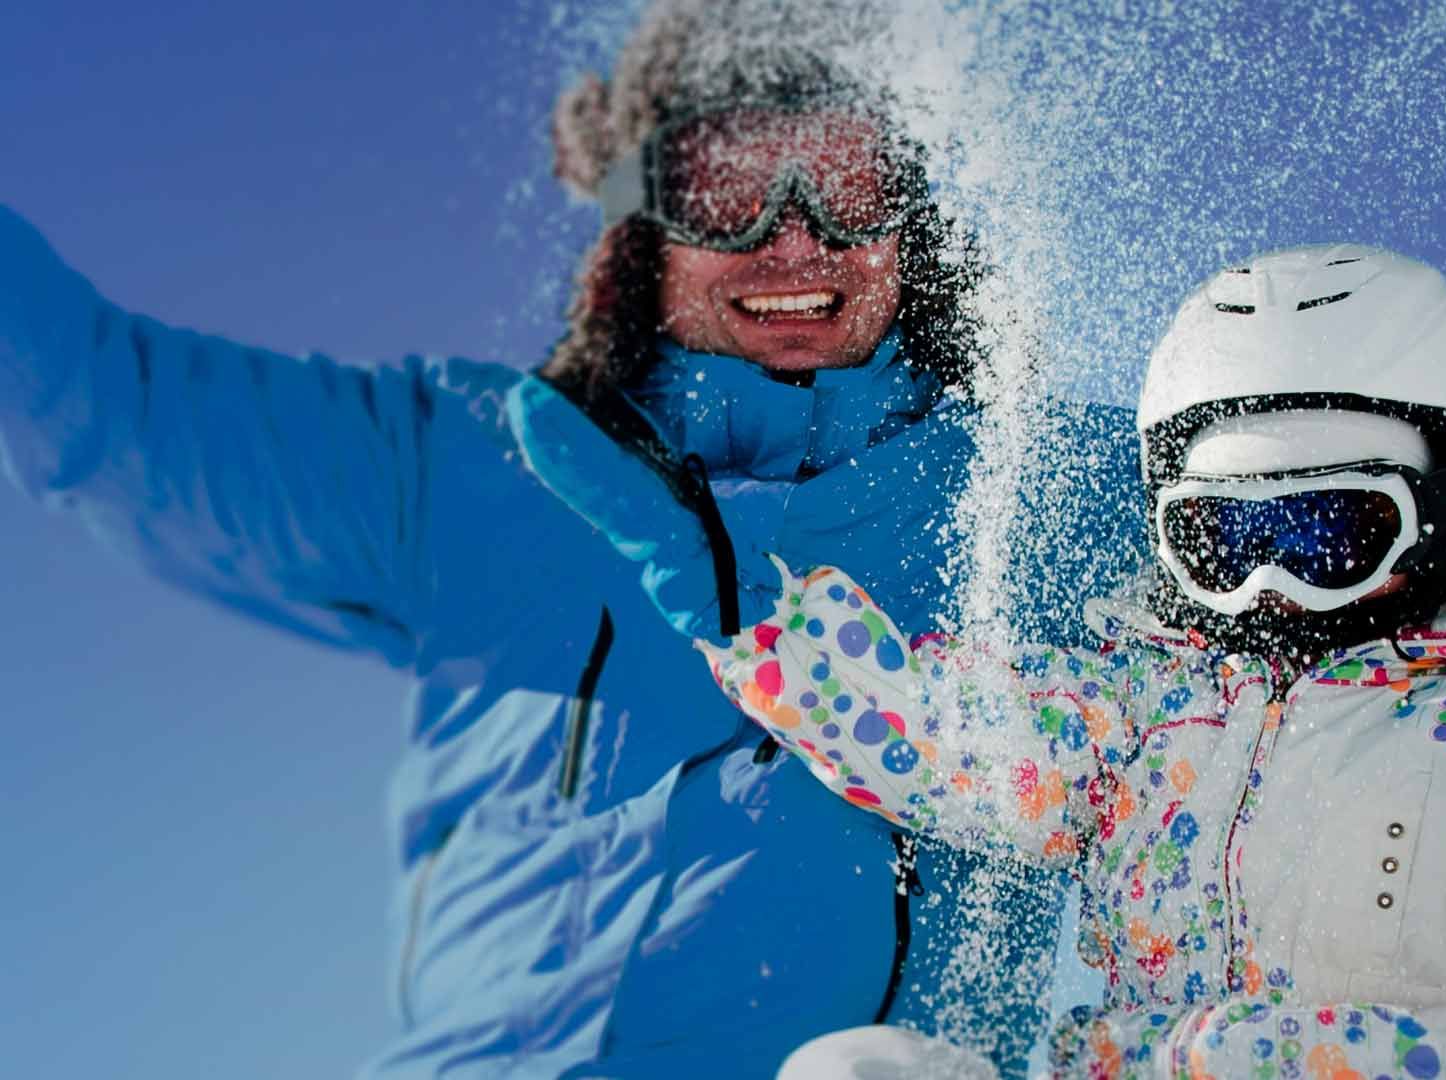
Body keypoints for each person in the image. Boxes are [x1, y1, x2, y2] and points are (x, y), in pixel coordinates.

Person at [509, 5, 1446, 1075]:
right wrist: (745, 619)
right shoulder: (1134, 704)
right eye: (1223, 543)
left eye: (1332, 529)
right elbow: (944, 744)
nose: (1277, 582)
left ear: (1440, 515)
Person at [0, 2, 1140, 1074]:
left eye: (850, 179)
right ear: (642, 218)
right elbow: (106, 412)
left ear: (914, 215)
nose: (796, 240)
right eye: (728, 185)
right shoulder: (475, 463)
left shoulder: (1044, 496)